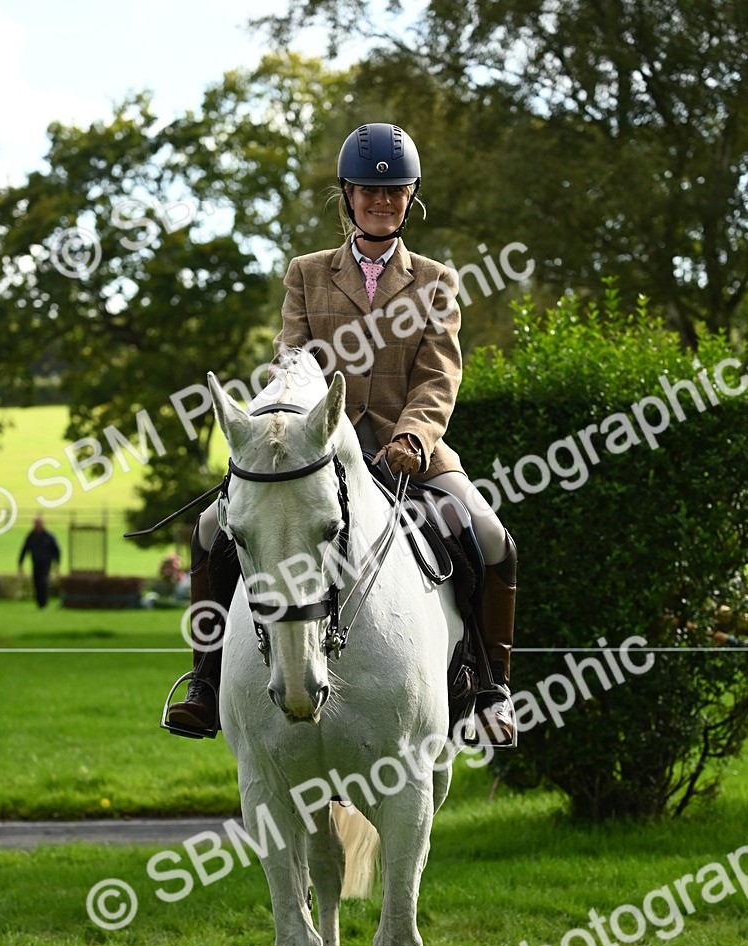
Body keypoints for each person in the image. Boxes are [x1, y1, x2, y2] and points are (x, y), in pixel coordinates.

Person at [165, 122, 517, 746]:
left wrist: (414, 437)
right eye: (368, 192)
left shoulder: (437, 281)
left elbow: (439, 375)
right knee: (209, 532)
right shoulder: (306, 273)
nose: (381, 202)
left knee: (490, 537)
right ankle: (205, 677)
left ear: (410, 198)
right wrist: (285, 429)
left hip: (408, 450)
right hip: (314, 450)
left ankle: (489, 689)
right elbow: (292, 359)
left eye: (395, 192)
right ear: (348, 197)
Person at [18, 517, 61, 608]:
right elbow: (24, 549)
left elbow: (56, 550)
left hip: (46, 563)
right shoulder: (31, 536)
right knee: (36, 582)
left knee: (44, 581)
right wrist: (20, 562)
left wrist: (57, 562)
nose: (37, 526)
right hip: (35, 562)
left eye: (39, 524)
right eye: (36, 524)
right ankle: (39, 602)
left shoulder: (49, 536)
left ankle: (44, 602)